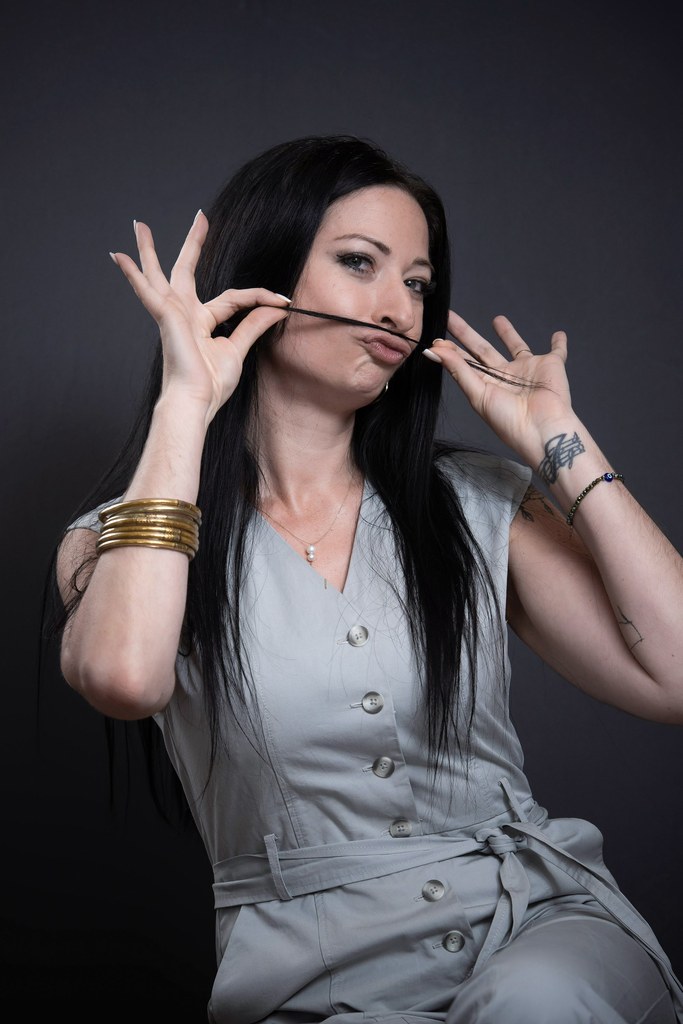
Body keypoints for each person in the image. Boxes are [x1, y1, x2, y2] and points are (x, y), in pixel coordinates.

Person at [53, 134, 683, 1024]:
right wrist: (185, 404)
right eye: (359, 263)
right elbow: (123, 678)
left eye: (418, 283)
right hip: (314, 976)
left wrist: (559, 443)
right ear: (262, 275)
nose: (399, 309)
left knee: (529, 1004)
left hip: (536, 928)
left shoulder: (475, 502)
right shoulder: (115, 543)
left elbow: (676, 676)